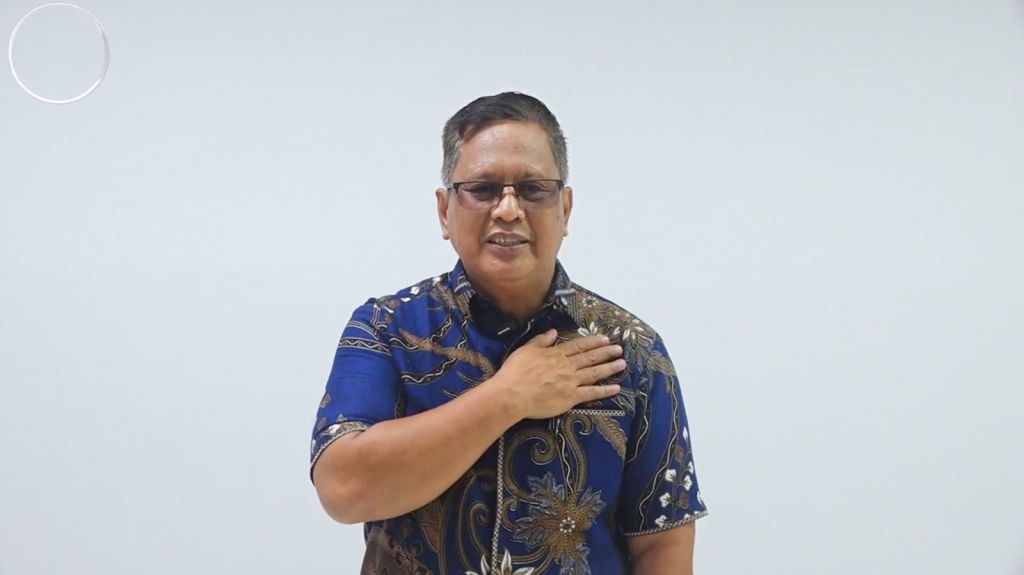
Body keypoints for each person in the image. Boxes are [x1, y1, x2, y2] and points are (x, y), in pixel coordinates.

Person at [310, 92, 708, 575]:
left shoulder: (631, 349)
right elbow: (344, 490)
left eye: (533, 189)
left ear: (565, 208)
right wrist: (507, 397)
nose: (508, 209)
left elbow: (661, 543)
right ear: (444, 210)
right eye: (482, 189)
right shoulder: (387, 329)